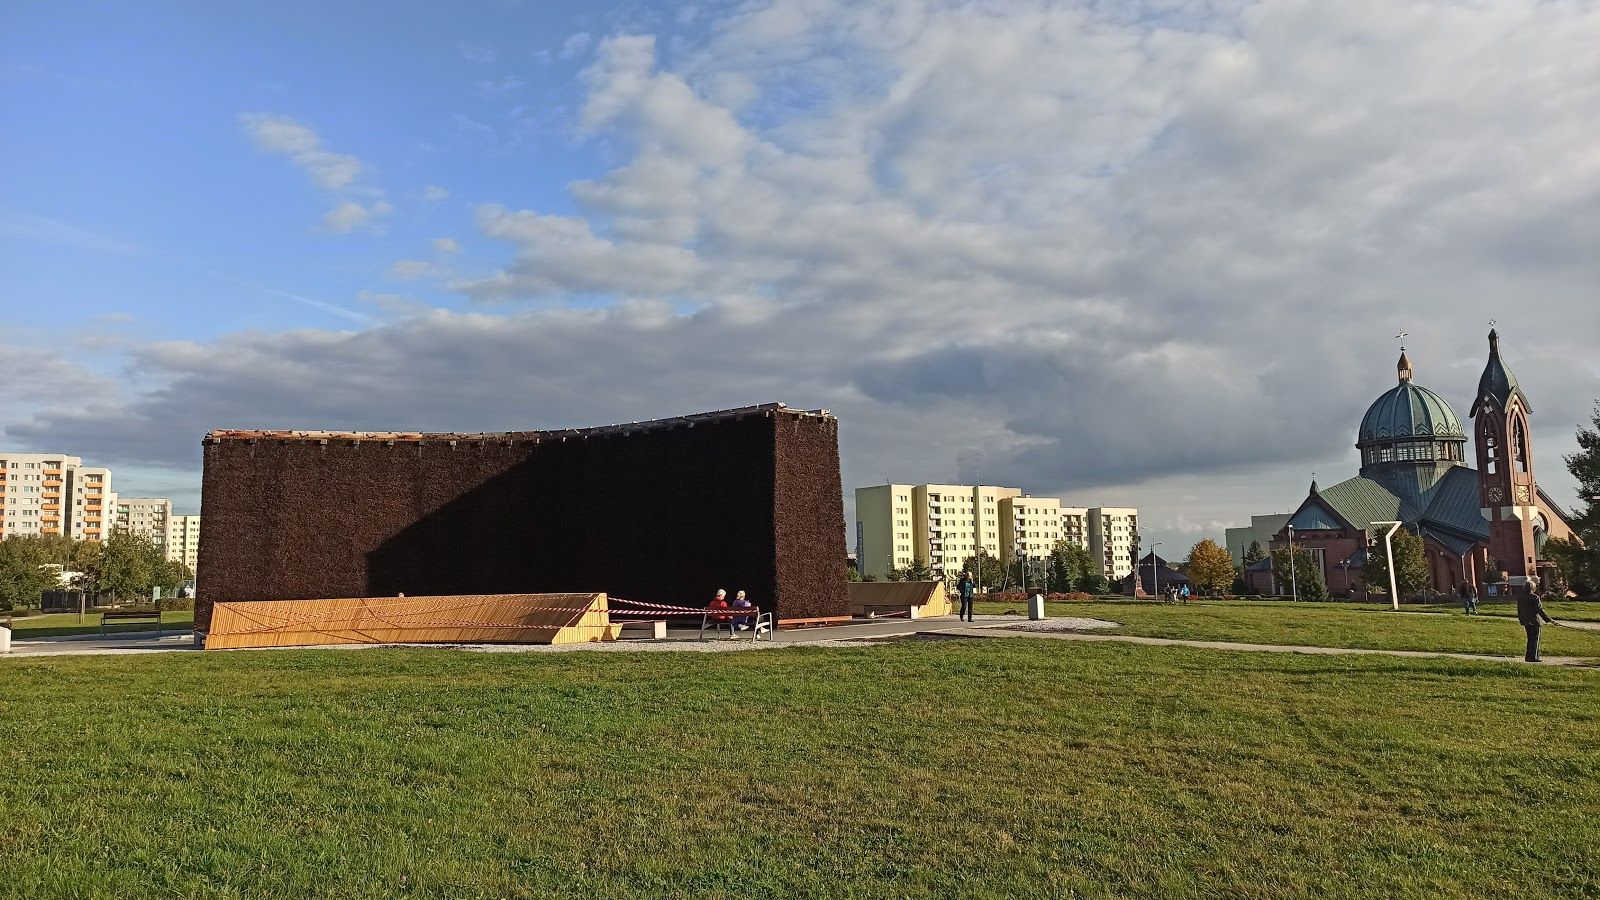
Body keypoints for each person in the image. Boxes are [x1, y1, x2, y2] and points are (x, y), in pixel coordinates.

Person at [1516, 586, 1555, 662]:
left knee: (1530, 639)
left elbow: (1519, 610)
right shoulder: (1535, 597)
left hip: (1526, 621)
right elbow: (1539, 610)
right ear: (1533, 588)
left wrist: (1522, 620)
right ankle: (1533, 657)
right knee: (1535, 640)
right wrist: (1549, 619)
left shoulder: (1521, 597)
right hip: (1535, 621)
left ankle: (1528, 656)